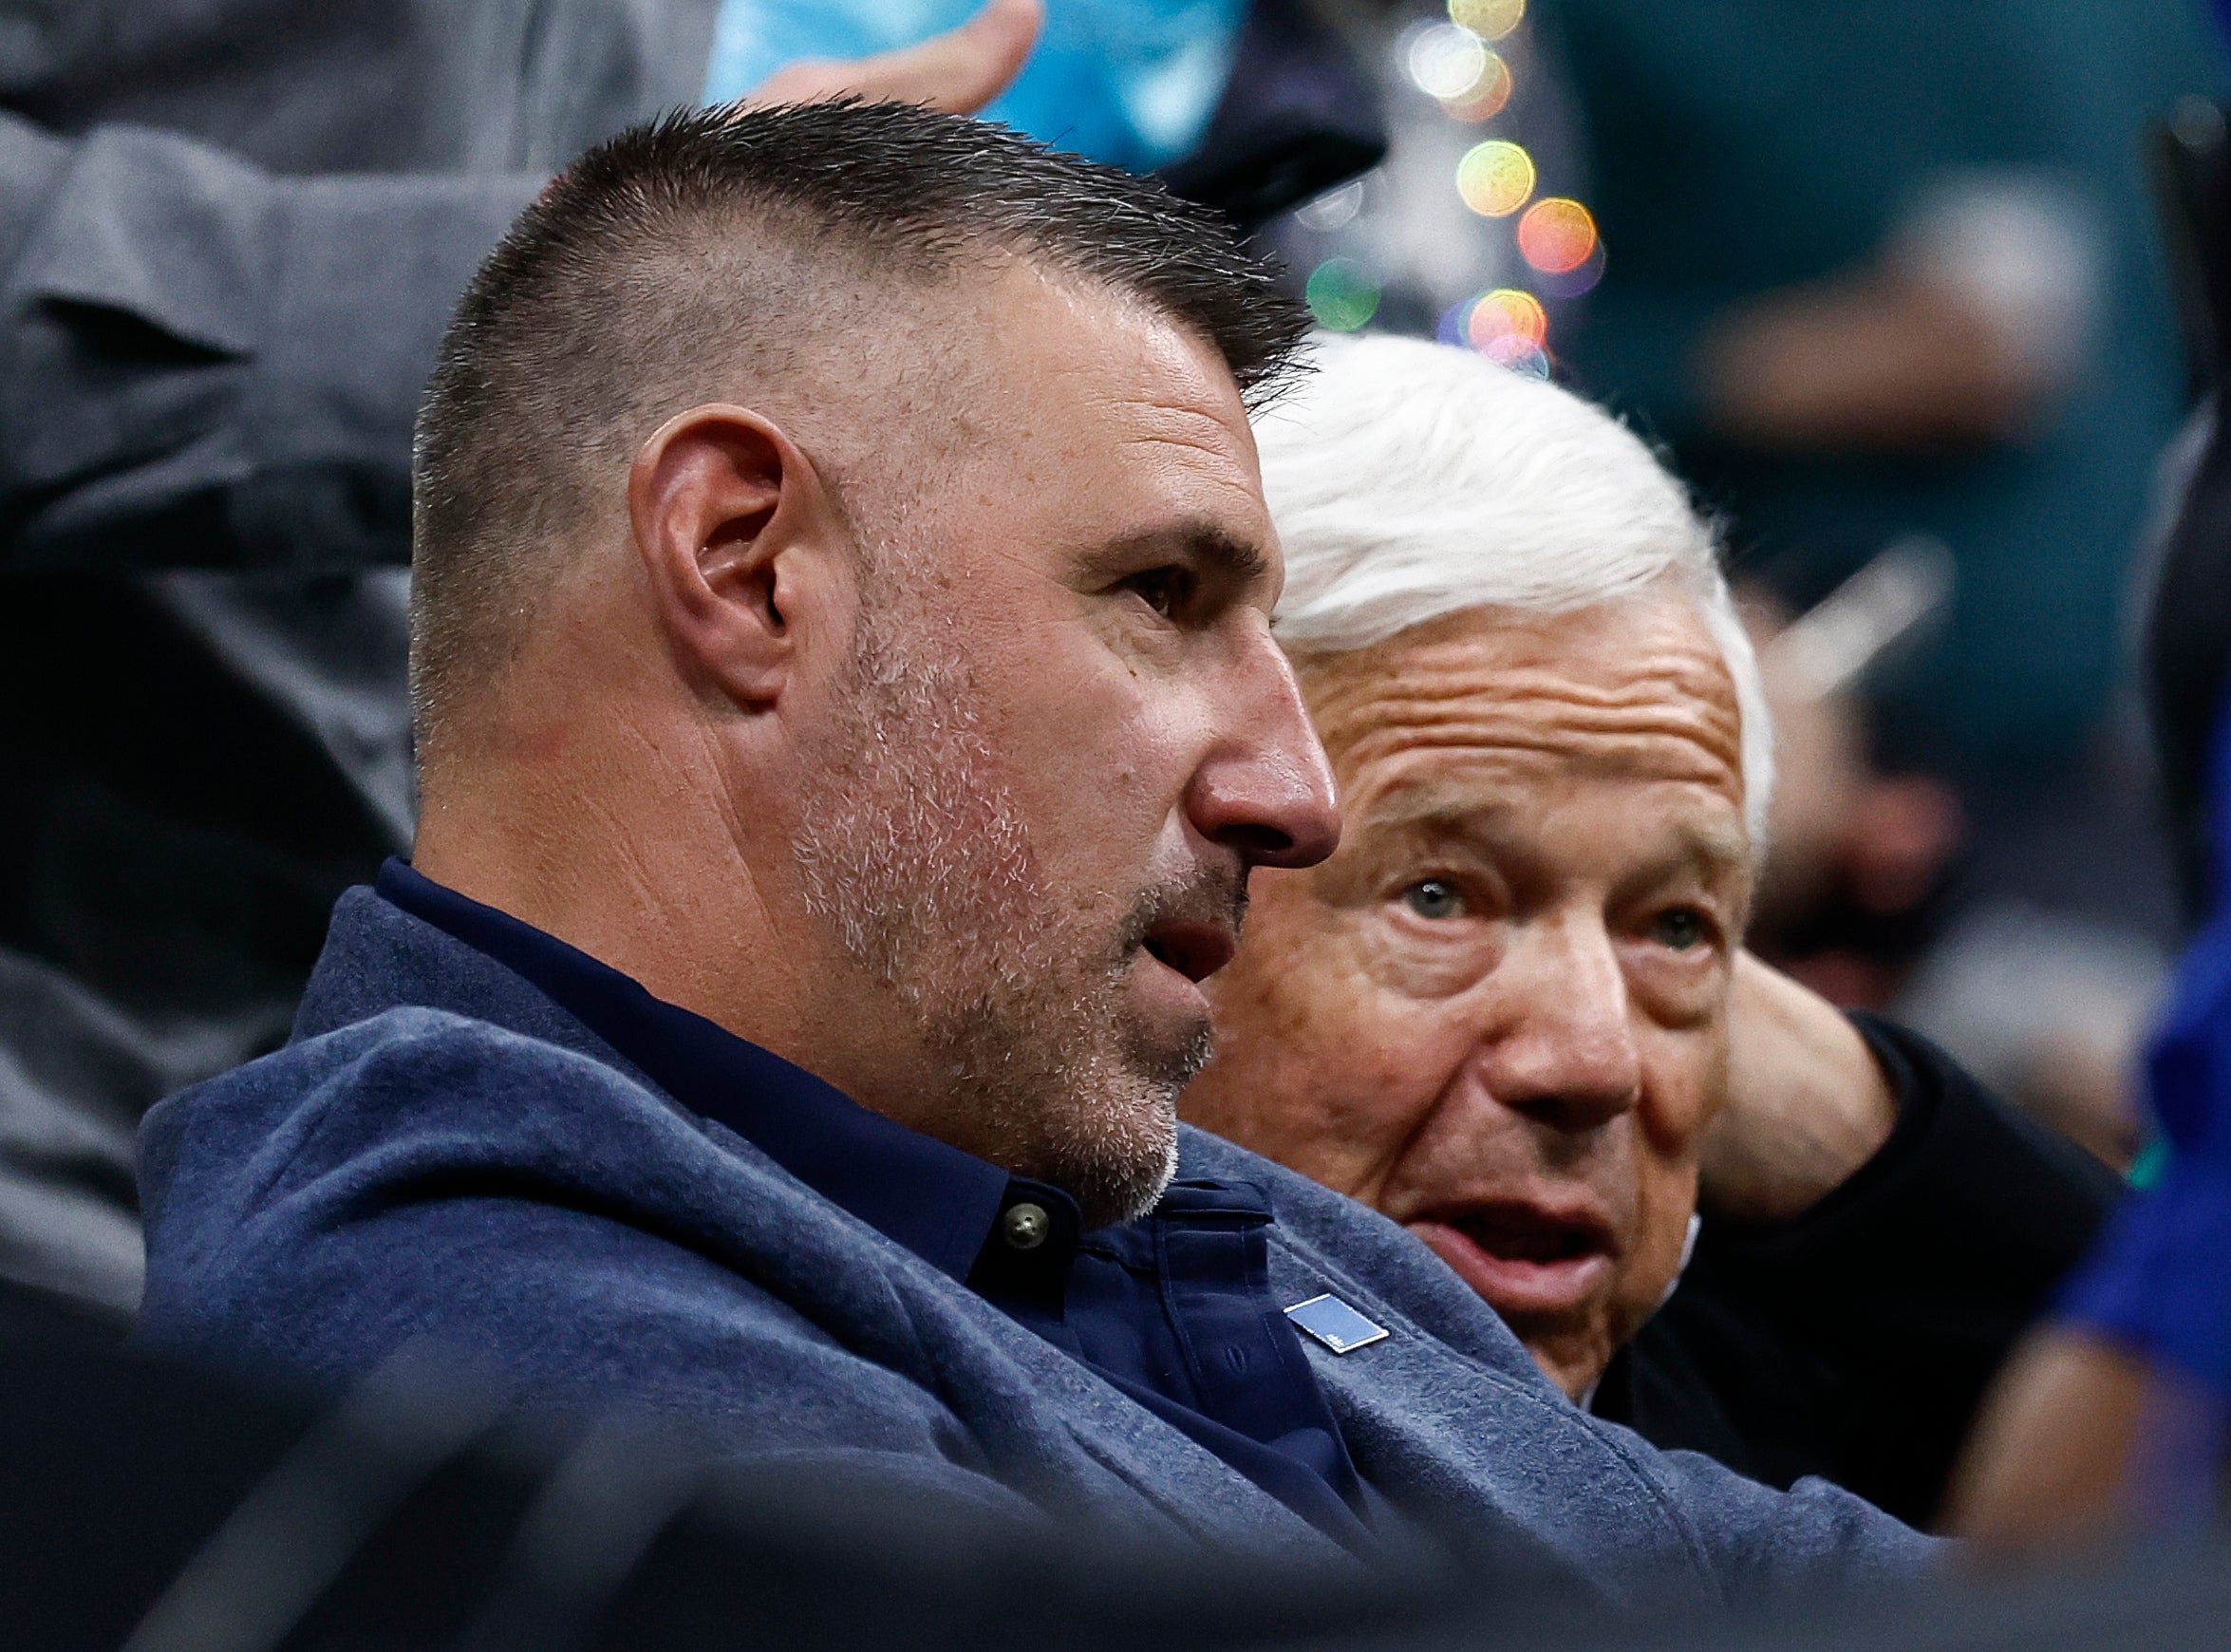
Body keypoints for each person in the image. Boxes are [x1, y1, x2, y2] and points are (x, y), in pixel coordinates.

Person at [135, 100, 1926, 1595]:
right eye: (1165, 596)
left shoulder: (1175, 1211)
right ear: (747, 564)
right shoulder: (481, 1331)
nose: (1293, 793)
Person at [1177, 334, 2118, 1528]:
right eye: (1440, 898)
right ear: (1139, 898)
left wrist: (1864, 1127)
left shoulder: (1766, 1390)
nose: (1595, 1062)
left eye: (1675, 923)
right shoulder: (976, 1449)